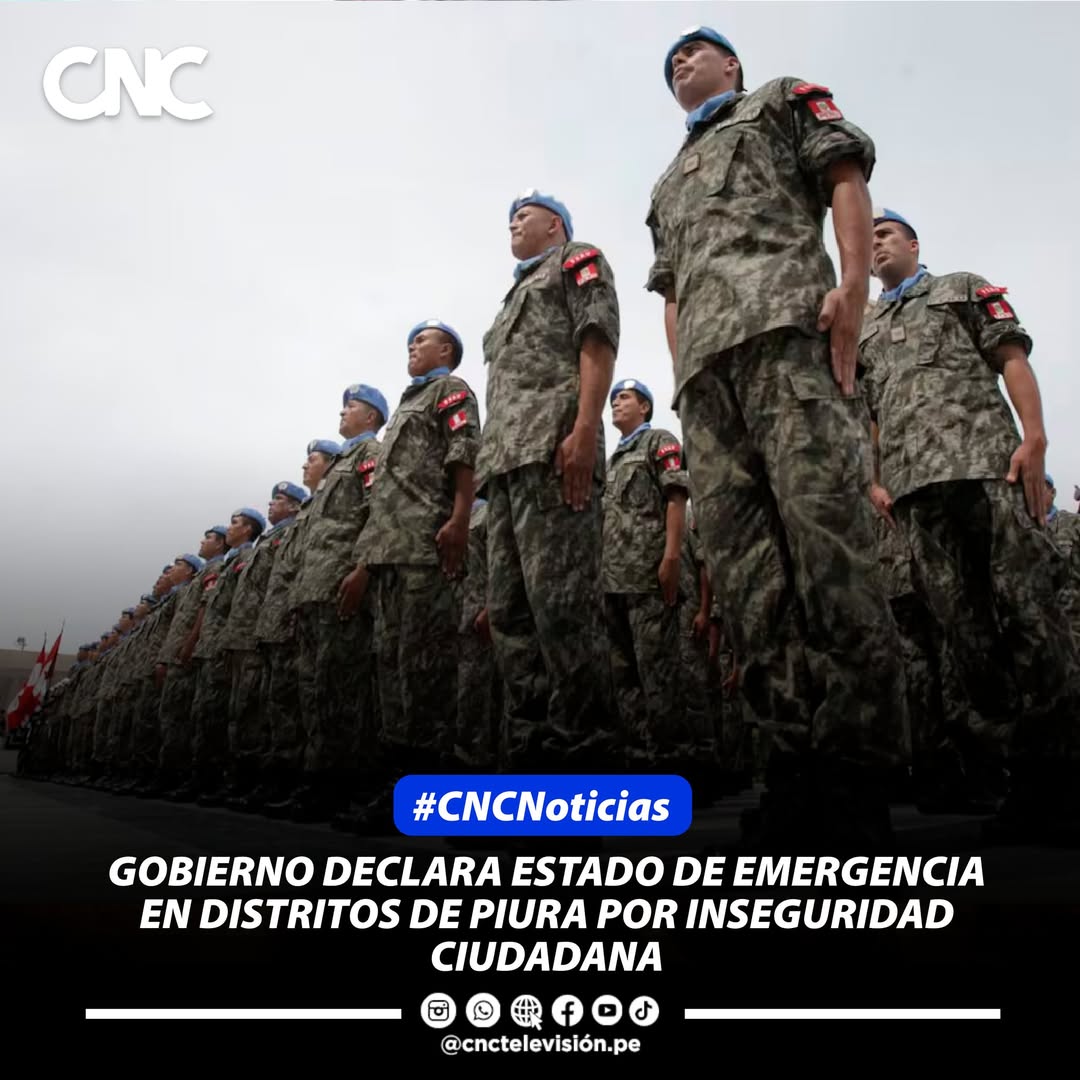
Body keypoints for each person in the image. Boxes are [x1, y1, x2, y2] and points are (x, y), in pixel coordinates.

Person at [645, 26, 908, 848]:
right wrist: (683, 375)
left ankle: (855, 773)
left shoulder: (778, 101)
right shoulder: (664, 184)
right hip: (708, 383)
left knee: (827, 548)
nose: (680, 61)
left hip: (789, 338)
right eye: (670, 61)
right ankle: (791, 764)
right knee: (749, 575)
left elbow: (844, 175)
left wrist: (854, 284)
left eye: (695, 51)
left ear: (732, 64)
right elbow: (672, 290)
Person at [860, 207, 1080, 843]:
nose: (875, 243)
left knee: (1029, 615)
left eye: (885, 233)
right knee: (965, 634)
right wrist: (876, 477)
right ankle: (1021, 774)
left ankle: (1064, 772)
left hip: (987, 470)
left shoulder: (958, 288)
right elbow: (870, 414)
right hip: (915, 494)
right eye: (867, 237)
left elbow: (1011, 358)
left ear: (913, 243)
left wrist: (1034, 437)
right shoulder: (866, 327)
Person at [475, 188, 620, 770]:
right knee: (511, 619)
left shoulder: (576, 259)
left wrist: (584, 431)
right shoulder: (510, 297)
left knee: (563, 612)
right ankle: (530, 765)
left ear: (555, 224)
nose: (513, 222)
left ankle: (583, 765)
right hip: (504, 467)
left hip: (554, 455)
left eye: (524, 214)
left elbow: (597, 340)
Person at [343, 320, 480, 832]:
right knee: (393, 669)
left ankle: (430, 794)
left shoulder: (451, 390)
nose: (412, 346)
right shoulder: (405, 408)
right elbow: (382, 499)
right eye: (410, 341)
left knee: (425, 672)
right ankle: (400, 785)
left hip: (425, 547)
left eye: (422, 340)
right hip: (389, 555)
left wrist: (460, 519)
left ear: (447, 350)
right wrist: (365, 563)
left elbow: (464, 453)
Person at [601, 377, 698, 773]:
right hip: (613, 582)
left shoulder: (659, 441)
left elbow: (676, 497)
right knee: (624, 676)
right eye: (613, 399)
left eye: (624, 397)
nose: (615, 403)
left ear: (644, 407)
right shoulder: (611, 462)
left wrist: (671, 556)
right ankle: (640, 761)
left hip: (648, 577)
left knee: (658, 672)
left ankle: (674, 762)